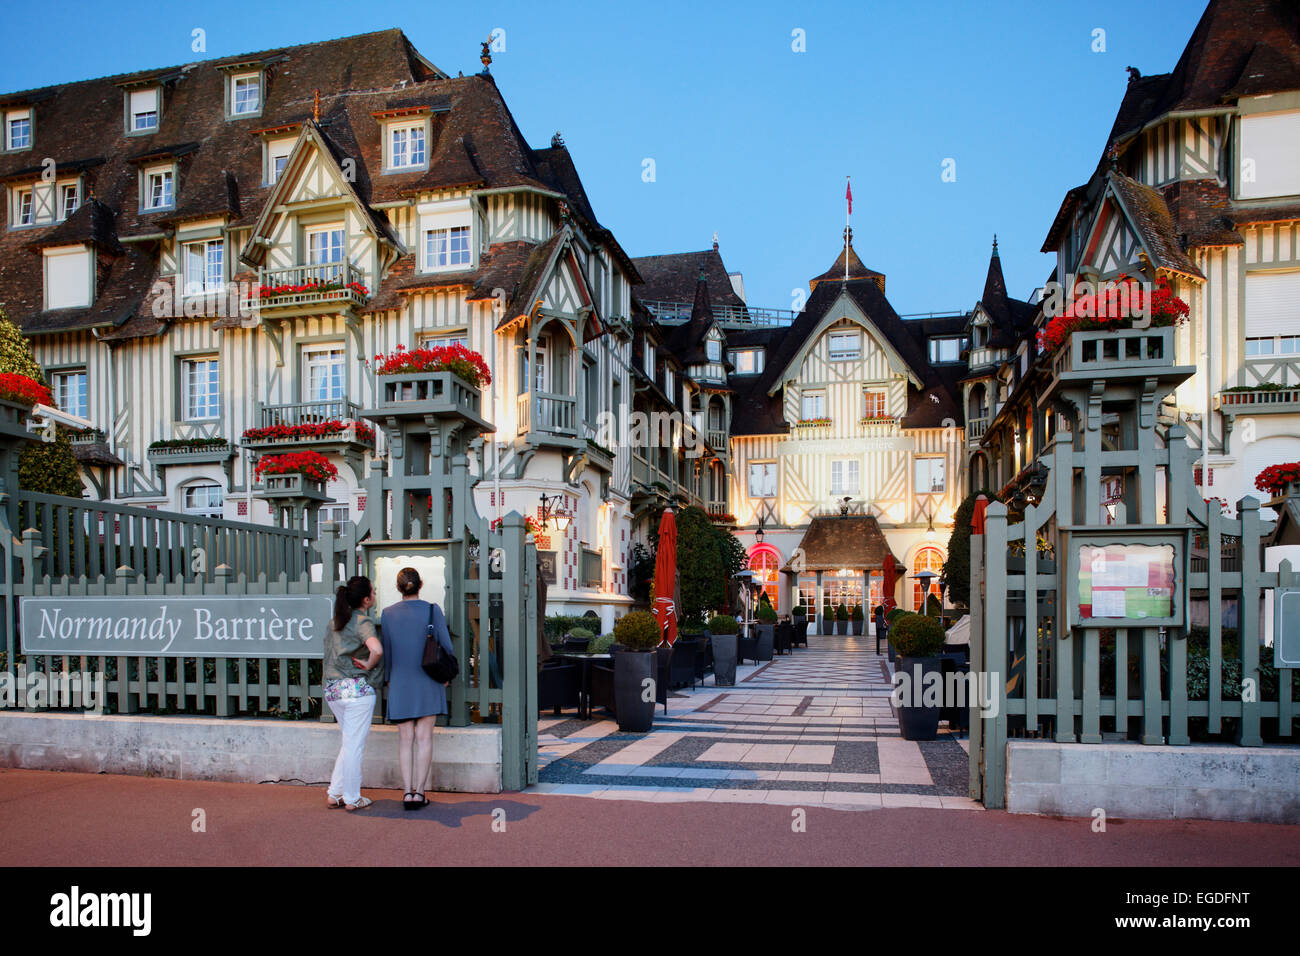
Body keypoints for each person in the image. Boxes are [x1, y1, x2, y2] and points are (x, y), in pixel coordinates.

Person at [380, 567, 454, 810]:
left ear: (398, 587)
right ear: (420, 584)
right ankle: (420, 793)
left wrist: (390, 679)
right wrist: (446, 676)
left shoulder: (388, 614)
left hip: (400, 681)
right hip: (428, 679)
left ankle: (406, 792)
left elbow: (387, 652)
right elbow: (446, 646)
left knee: (404, 740)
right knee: (424, 738)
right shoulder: (433, 610)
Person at [324, 575, 382, 811]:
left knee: (348, 743)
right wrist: (369, 665)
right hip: (356, 690)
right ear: (366, 599)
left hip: (333, 690)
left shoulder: (335, 621)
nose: (375, 596)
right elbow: (376, 649)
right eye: (374, 592)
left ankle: (335, 793)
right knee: (354, 745)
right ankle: (352, 797)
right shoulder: (362, 621)